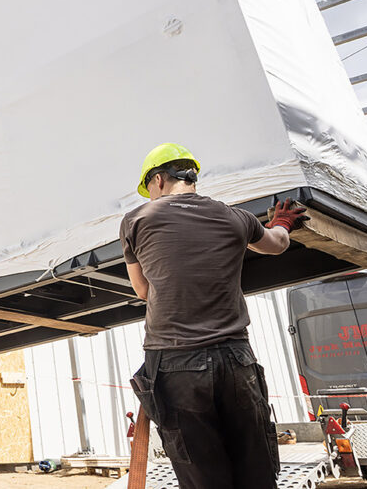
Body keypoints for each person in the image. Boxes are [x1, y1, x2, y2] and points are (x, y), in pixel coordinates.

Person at [122, 143, 308, 489]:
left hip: (176, 363)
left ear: (159, 180)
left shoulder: (136, 222)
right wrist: (282, 222)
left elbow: (143, 291)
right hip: (236, 359)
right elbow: (277, 243)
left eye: (149, 190)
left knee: (202, 473)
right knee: (255, 467)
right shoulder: (235, 217)